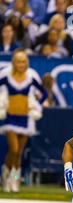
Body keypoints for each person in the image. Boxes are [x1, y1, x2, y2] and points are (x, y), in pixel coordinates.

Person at [0, 49, 48, 193]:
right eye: (18, 62)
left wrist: (36, 105)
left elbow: (44, 93)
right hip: (10, 117)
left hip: (26, 119)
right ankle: (6, 175)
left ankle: (14, 178)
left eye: (23, 62)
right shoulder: (7, 77)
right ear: (14, 63)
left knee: (19, 152)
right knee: (13, 149)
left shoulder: (30, 78)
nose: (21, 64)